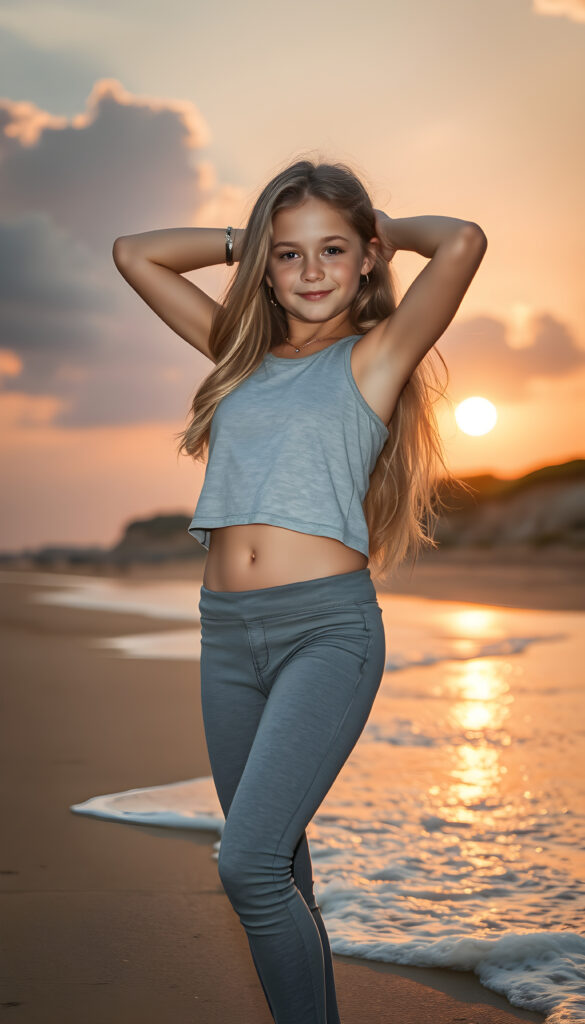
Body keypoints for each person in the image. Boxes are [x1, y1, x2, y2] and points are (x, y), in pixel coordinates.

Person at [112, 157, 487, 1024]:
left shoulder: (378, 356)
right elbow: (136, 254)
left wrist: (378, 226)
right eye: (289, 255)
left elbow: (462, 242)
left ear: (366, 261)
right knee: (280, 870)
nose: (311, 271)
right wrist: (248, 238)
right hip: (227, 637)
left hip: (327, 635)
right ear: (265, 270)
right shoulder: (237, 354)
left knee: (246, 866)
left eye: (332, 250)